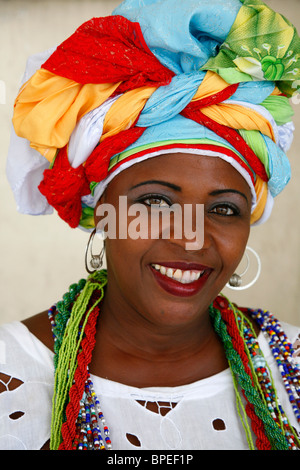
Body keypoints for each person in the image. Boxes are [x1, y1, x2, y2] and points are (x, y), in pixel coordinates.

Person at [1, 0, 300, 451]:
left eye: (224, 209)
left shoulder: (290, 359)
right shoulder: (11, 372)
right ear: (101, 212)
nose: (190, 237)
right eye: (157, 201)